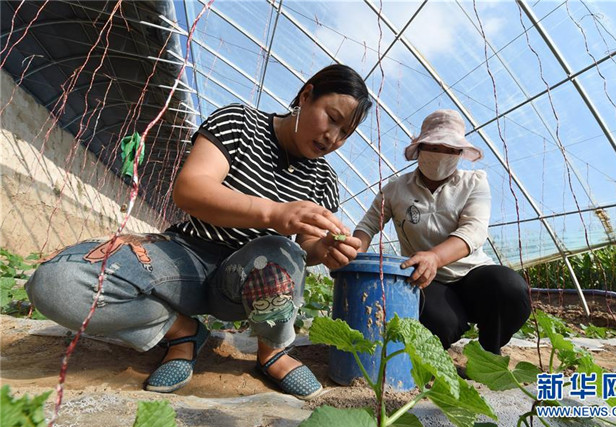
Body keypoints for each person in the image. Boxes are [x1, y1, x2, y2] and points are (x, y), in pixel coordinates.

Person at [26, 64, 369, 400]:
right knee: (57, 284)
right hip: (184, 259)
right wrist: (274, 212)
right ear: (306, 96)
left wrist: (325, 249)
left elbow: (306, 247)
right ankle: (182, 332)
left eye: (345, 133)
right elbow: (191, 189)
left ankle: (272, 351)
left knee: (282, 250)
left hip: (244, 282)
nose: (333, 137)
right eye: (332, 118)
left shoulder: (323, 179)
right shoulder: (240, 124)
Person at [353, 109, 530, 355]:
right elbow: (368, 225)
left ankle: (489, 352)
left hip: (472, 274)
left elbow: (474, 229)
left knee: (509, 288)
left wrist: (435, 257)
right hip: (426, 279)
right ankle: (446, 335)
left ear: (460, 153)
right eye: (434, 147)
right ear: (420, 148)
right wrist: (353, 251)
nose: (441, 155)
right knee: (440, 325)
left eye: (451, 149)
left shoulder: (474, 182)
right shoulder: (395, 189)